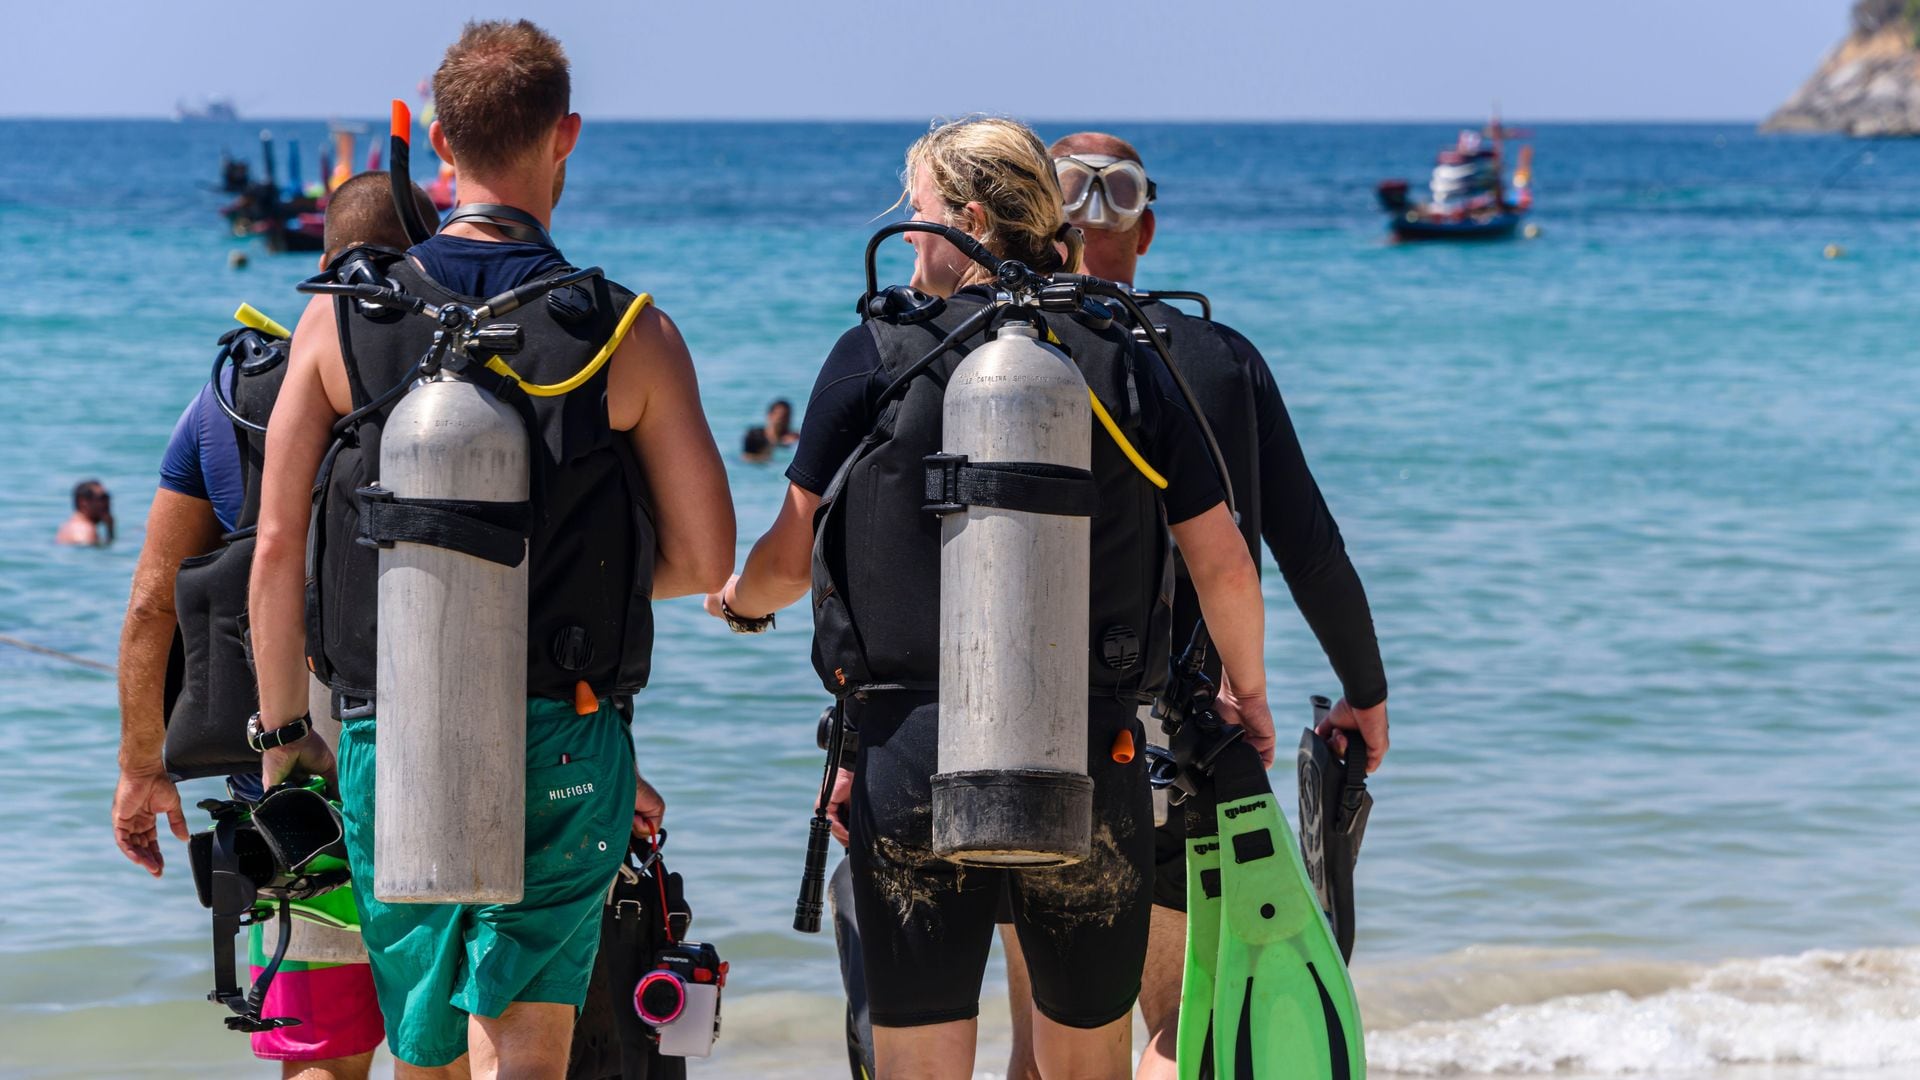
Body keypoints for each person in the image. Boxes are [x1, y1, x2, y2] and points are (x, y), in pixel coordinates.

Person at [707, 116, 1271, 1080]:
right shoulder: (1123, 355)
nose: (907, 231)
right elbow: (1221, 565)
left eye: (917, 212)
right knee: (1086, 1065)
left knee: (923, 1061)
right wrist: (1247, 696)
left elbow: (788, 559)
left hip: (907, 763)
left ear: (968, 219)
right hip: (1095, 757)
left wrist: (737, 599)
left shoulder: (874, 355)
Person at [248, 20, 734, 1078]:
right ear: (566, 135)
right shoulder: (627, 330)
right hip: (565, 727)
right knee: (527, 1039)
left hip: (393, 728)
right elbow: (706, 556)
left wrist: (286, 732)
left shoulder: (340, 322)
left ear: (436, 139)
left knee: (422, 1039)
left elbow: (278, 545)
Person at [991, 130, 1388, 1080]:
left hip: (1010, 730)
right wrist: (1363, 691)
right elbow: (1309, 548)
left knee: (1039, 1044)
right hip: (1175, 740)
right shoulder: (1215, 358)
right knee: (1179, 1027)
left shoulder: (990, 354)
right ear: (1149, 230)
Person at [112, 171, 434, 1079]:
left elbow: (152, 600)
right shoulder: (453, 377)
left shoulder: (227, 398)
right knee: (439, 1041)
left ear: (319, 262)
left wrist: (143, 767)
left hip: (285, 770)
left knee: (321, 1052)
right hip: (430, 742)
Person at [57, 480, 113, 545]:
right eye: (102, 498)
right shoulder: (84, 531)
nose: (107, 503)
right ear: (83, 502)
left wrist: (110, 529)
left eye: (107, 497)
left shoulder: (70, 526)